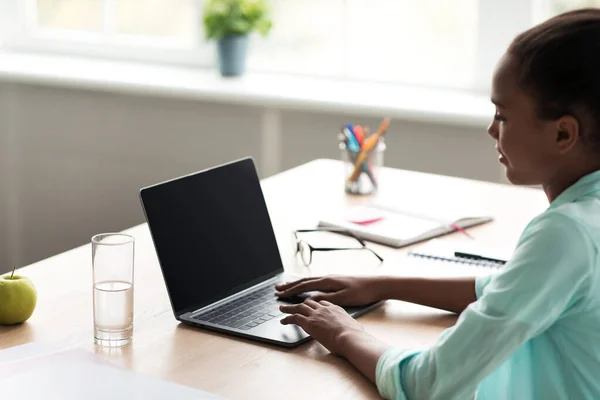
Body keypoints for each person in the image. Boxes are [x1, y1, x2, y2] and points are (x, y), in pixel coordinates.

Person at [275, 8, 600, 400]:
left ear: (563, 133)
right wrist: (380, 284)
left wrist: (344, 332)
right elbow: (508, 290)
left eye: (503, 115)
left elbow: (430, 383)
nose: (491, 129)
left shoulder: (567, 233)